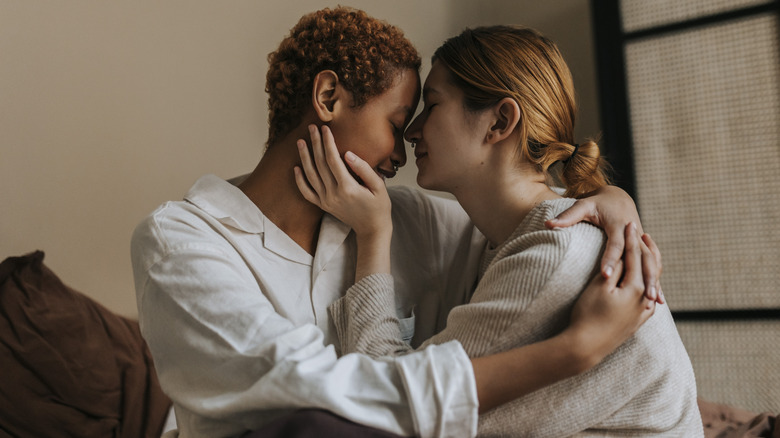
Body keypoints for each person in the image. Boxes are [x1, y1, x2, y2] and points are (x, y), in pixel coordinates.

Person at [131, 8, 661, 438]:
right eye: (397, 122)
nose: (407, 148)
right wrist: (570, 354)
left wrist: (611, 199)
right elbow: (320, 398)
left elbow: (531, 217)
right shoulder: (181, 240)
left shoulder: (405, 217)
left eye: (422, 115)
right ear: (328, 98)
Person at [296, 25, 702, 436]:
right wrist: (617, 196)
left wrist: (372, 234)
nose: (412, 130)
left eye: (432, 106)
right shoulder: (539, 227)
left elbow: (385, 401)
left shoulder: (551, 257)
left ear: (500, 122)